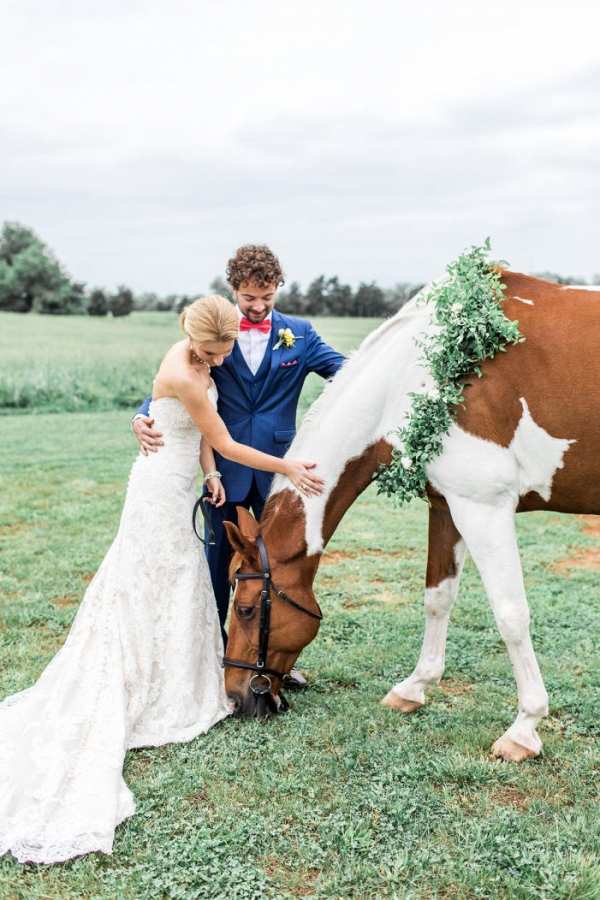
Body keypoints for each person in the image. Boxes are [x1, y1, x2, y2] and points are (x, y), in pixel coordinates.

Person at [0, 295, 324, 865]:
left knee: (180, 582)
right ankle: (141, 676)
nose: (219, 361)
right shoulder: (183, 367)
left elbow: (207, 440)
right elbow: (221, 435)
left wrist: (208, 473)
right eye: (212, 352)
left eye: (223, 352)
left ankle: (177, 669)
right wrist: (287, 467)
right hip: (155, 489)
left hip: (183, 482)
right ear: (192, 338)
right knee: (147, 581)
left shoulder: (202, 365)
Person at [133, 246, 345, 679]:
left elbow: (345, 372)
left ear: (277, 288)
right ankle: (215, 659)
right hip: (222, 472)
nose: (259, 305)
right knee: (214, 567)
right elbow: (173, 382)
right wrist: (141, 413)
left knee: (283, 566)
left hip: (279, 471)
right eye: (250, 297)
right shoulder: (213, 331)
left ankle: (277, 658)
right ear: (234, 290)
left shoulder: (300, 334)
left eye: (268, 296)